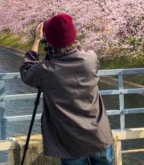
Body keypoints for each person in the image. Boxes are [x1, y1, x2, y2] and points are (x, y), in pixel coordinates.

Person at [20, 13, 114, 165]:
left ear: (49, 40)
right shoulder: (90, 58)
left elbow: (26, 72)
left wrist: (37, 40)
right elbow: (77, 51)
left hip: (69, 141)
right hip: (99, 134)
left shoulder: (45, 70)